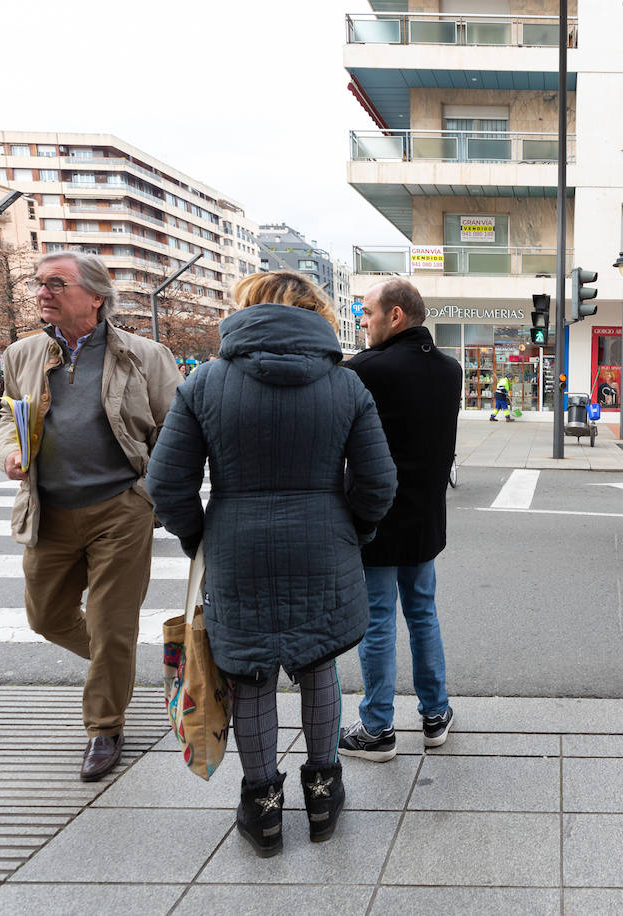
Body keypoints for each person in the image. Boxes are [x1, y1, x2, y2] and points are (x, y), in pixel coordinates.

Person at [148, 271, 395, 856]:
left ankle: (262, 809)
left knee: (250, 674)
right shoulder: (345, 385)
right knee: (319, 663)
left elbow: (166, 484)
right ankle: (324, 792)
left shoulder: (205, 382)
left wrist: (199, 538)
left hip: (237, 549)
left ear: (247, 309)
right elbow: (379, 483)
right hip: (324, 544)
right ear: (318, 313)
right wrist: (356, 530)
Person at [0, 251, 180, 782]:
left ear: (96, 297)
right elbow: (12, 415)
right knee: (47, 617)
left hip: (120, 509)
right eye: (38, 283)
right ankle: (114, 667)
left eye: (56, 283)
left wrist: (149, 494)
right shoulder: (21, 353)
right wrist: (11, 450)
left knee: (110, 622)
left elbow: (173, 431)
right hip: (48, 507)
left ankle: (104, 725)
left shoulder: (146, 355)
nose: (41, 292)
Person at [339, 278, 461, 762]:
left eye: (366, 312)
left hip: (375, 519)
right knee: (423, 614)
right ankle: (435, 715)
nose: (360, 320)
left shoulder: (364, 370)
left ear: (395, 316)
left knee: (377, 622)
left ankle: (376, 728)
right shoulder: (450, 370)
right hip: (425, 520)